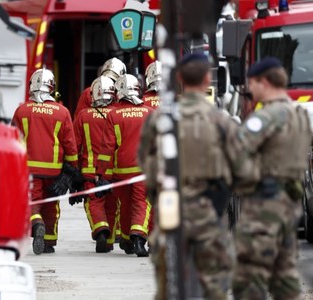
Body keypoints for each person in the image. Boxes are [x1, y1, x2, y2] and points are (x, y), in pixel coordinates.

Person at [138, 53, 241, 300]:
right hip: (208, 214)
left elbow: (146, 163)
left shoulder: (160, 120)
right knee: (213, 287)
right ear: (208, 79)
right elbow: (240, 169)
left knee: (169, 285)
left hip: (171, 213)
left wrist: (158, 195)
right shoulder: (221, 121)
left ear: (180, 79)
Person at [231, 57, 312, 300]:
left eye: (252, 83)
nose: (249, 90)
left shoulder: (265, 117)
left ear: (264, 82)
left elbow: (236, 154)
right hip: (290, 203)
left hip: (263, 205)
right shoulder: (298, 113)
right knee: (284, 274)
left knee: (250, 276)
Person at [12, 68, 78, 255]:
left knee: (32, 201)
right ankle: (49, 241)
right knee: (51, 205)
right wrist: (72, 170)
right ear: (52, 87)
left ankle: (37, 223)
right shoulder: (62, 112)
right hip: (54, 169)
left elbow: (13, 139)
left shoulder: (22, 110)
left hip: (30, 168)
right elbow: (70, 144)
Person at [98, 74, 154, 257]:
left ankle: (127, 240)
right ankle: (138, 237)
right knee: (141, 203)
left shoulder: (113, 115)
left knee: (125, 204)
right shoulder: (148, 112)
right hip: (142, 168)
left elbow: (107, 147)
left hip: (120, 170)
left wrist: (101, 175)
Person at [73, 75, 118, 253]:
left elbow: (75, 144)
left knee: (93, 202)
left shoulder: (83, 116)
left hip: (90, 170)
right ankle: (110, 239)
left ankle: (100, 229)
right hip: (113, 170)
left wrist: (72, 171)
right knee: (112, 204)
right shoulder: (116, 114)